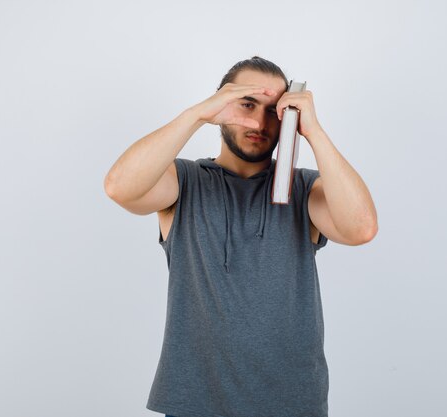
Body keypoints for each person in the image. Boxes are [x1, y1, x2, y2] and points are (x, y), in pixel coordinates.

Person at [104, 56, 378, 417]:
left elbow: (361, 228)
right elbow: (119, 188)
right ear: (222, 103)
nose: (259, 122)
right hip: (194, 406)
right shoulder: (183, 181)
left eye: (274, 112)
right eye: (247, 104)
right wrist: (197, 115)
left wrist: (314, 132)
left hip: (292, 406)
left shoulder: (302, 187)